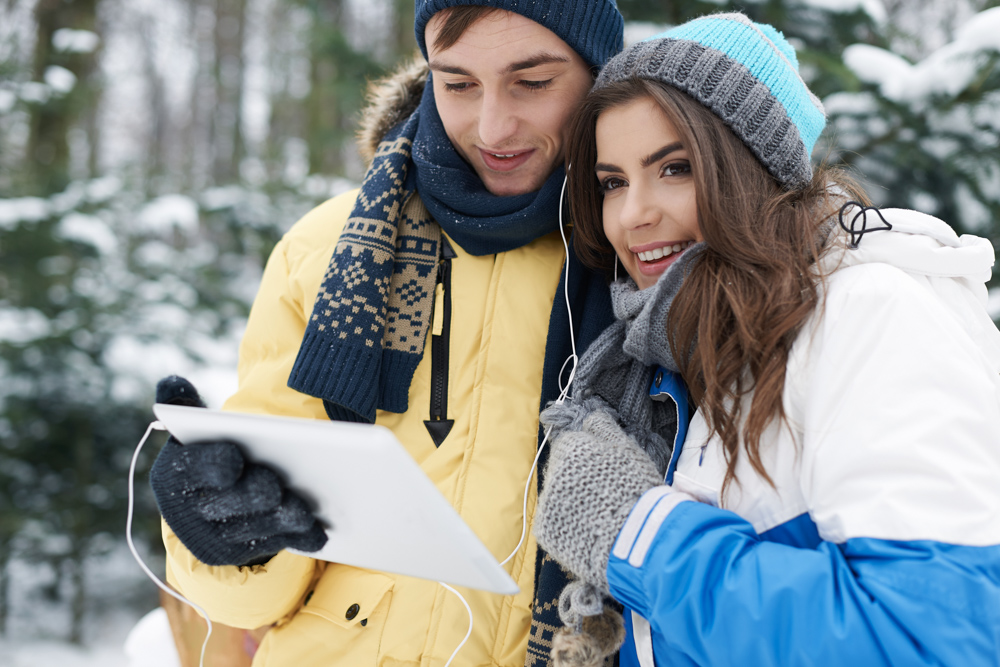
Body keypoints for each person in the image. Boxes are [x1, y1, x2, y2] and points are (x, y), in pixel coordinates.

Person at [147, 2, 628, 666]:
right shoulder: (328, 250)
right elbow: (248, 605)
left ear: (600, 76)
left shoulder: (640, 256)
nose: (492, 125)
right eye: (457, 83)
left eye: (534, 83)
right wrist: (222, 534)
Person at [533, 12, 1000, 667]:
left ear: (752, 170)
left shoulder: (872, 317)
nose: (632, 213)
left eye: (674, 168)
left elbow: (929, 640)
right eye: (612, 182)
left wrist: (640, 533)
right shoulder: (689, 358)